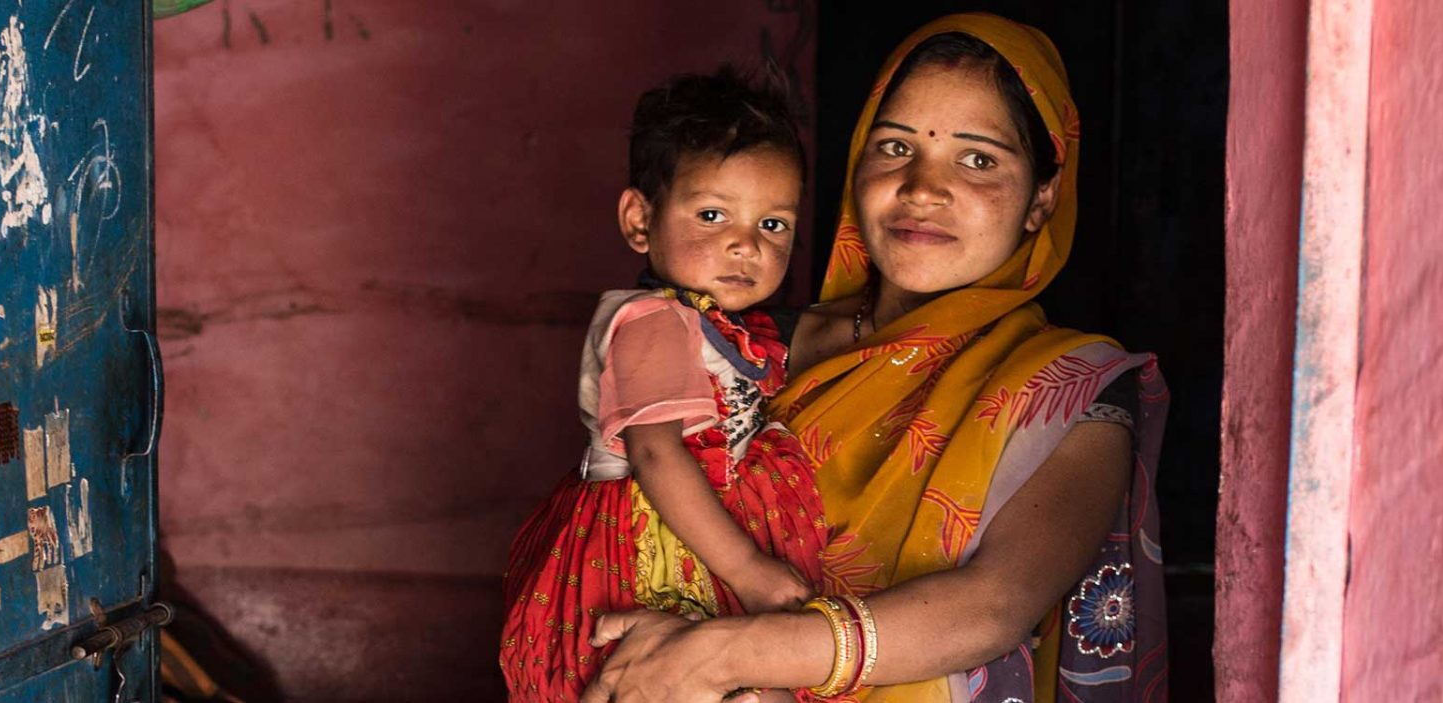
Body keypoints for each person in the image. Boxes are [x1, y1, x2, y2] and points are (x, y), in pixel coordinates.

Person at [580, 14, 1170, 703]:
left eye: (977, 159)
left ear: (1042, 197)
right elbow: (630, 520)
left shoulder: (1071, 391)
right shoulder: (750, 342)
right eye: (894, 148)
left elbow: (992, 604)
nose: (922, 188)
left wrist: (721, 656)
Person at [499, 66, 833, 702]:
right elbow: (655, 451)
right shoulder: (653, 320)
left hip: (707, 532)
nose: (746, 246)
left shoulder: (734, 328)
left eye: (774, 225)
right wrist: (750, 572)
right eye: (713, 214)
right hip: (653, 546)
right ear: (640, 220)